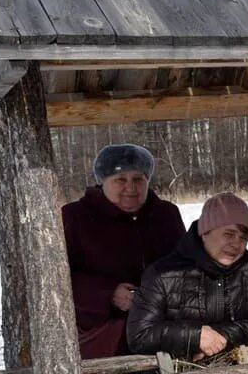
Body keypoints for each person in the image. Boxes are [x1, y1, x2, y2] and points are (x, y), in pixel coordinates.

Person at [62, 143, 185, 359]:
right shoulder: (76, 217)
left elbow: (185, 264)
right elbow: (59, 279)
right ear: (102, 182)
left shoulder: (166, 214)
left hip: (163, 328)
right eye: (120, 180)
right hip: (104, 336)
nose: (131, 187)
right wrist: (108, 293)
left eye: (138, 179)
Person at [126, 193, 248, 360]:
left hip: (237, 373)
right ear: (204, 232)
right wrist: (194, 337)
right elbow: (139, 335)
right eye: (229, 234)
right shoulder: (162, 273)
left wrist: (220, 337)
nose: (236, 244)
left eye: (243, 238)